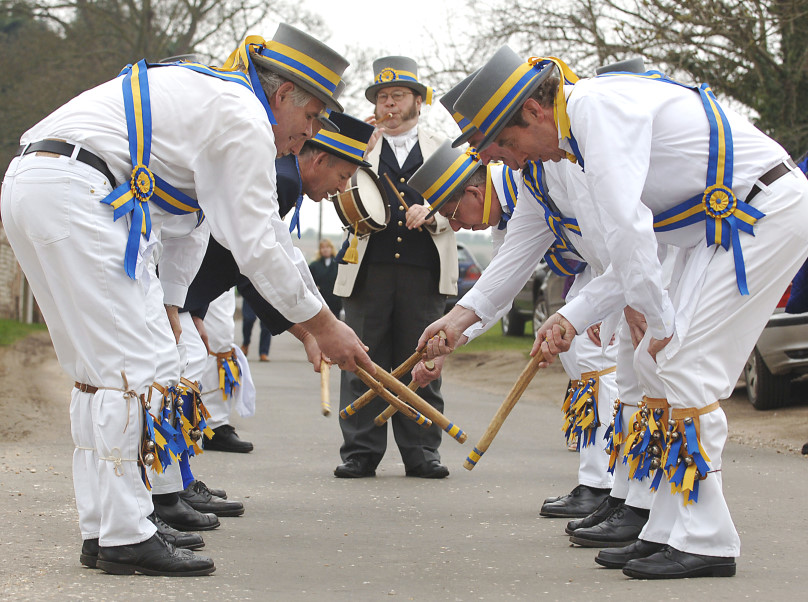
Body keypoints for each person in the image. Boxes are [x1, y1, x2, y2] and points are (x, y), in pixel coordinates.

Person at [426, 45, 808, 579]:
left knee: (684, 367)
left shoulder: (594, 111)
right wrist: (461, 319)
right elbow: (519, 257)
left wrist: (655, 315)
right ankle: (666, 529)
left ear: (535, 112)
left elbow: (628, 230)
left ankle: (708, 540)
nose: (504, 160)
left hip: (760, 212)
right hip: (719, 228)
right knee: (663, 367)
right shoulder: (565, 142)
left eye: (507, 143)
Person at [1, 23, 369, 576]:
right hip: (81, 193)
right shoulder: (244, 115)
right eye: (312, 117)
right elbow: (259, 245)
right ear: (281, 95)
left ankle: (104, 528)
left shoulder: (216, 102)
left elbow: (190, 226)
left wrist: (172, 304)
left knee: (96, 373)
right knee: (136, 372)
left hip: (37, 183)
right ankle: (125, 535)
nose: (310, 134)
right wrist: (323, 325)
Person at [333, 56, 457, 479]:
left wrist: (435, 212)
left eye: (397, 96)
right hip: (370, 269)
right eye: (383, 97)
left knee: (421, 359)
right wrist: (356, 153)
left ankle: (422, 450)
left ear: (417, 102)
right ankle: (360, 451)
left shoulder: (444, 145)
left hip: (424, 272)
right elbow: (338, 198)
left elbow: (463, 204)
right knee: (364, 359)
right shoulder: (359, 146)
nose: (389, 104)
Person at [309, 238, 342, 317]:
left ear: (331, 248)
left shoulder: (339, 264)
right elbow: (309, 280)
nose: (325, 250)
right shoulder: (314, 265)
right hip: (321, 300)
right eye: (323, 248)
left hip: (335, 300)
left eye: (327, 247)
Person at [241, 296, 273, 361]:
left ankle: (263, 352)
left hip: (267, 292)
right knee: (249, 319)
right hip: (249, 288)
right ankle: (245, 343)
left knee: (266, 322)